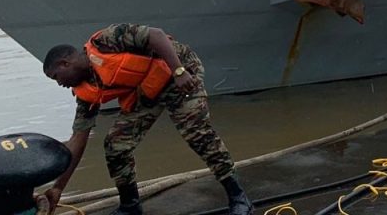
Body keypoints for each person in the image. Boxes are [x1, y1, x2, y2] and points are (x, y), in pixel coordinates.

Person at [40, 24, 253, 215]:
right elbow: (78, 139)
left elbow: (156, 35)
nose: (59, 84)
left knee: (197, 134)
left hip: (179, 74)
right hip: (148, 90)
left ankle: (238, 197)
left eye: (56, 77)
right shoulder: (85, 94)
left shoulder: (107, 41)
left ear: (65, 63)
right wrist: (58, 187)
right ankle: (130, 207)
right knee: (116, 146)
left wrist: (179, 71)